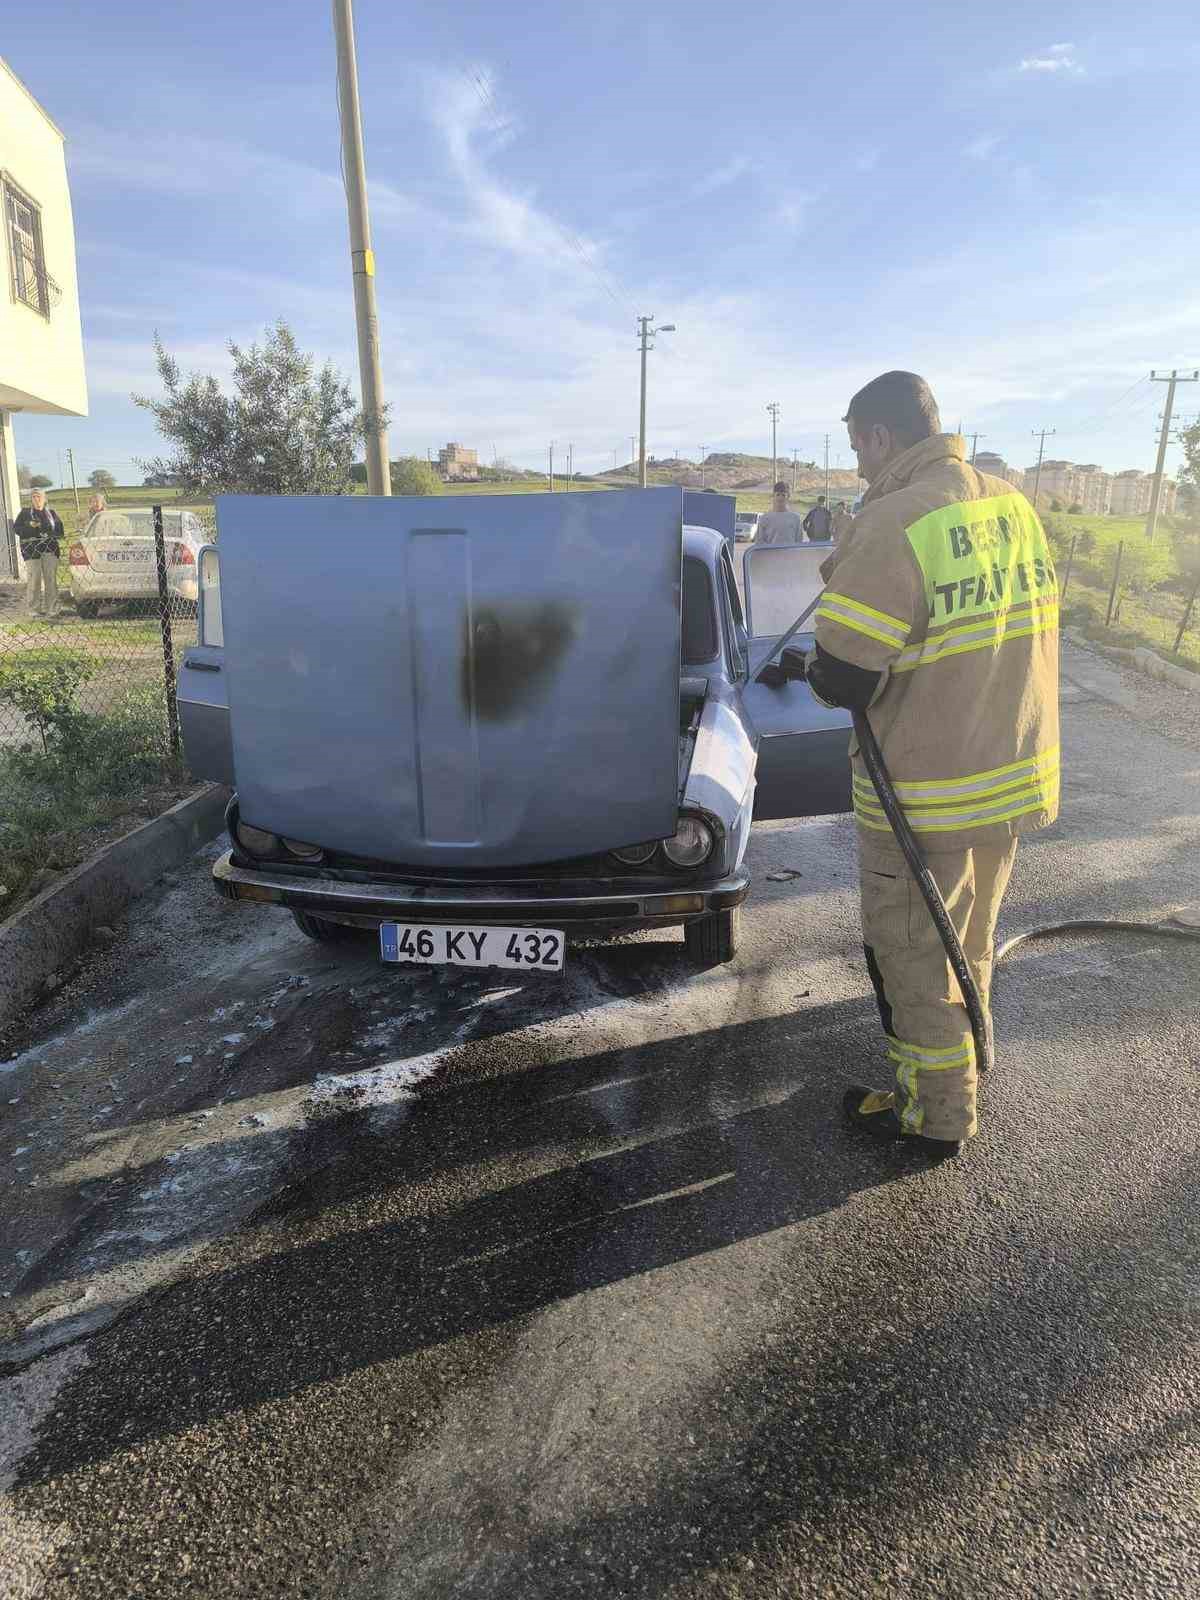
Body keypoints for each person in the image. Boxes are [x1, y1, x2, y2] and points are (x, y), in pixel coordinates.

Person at [806, 371, 1059, 1158]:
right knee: (970, 937)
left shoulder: (895, 519)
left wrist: (840, 580)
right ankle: (971, 1058)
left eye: (857, 449)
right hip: (1009, 772)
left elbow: (843, 677)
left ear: (882, 437)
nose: (856, 469)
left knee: (916, 956)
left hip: (927, 793)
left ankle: (934, 1115)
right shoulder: (1011, 505)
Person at [15, 487, 65, 619]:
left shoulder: (52, 514)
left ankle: (52, 611)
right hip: (32, 552)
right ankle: (34, 611)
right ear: (31, 499)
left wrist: (48, 533)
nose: (37, 499)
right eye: (34, 497)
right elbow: (17, 529)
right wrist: (30, 527)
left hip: (50, 551)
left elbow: (60, 531)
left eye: (39, 496)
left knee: (51, 581)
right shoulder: (25, 513)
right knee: (34, 581)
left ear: (44, 499)